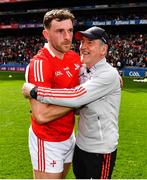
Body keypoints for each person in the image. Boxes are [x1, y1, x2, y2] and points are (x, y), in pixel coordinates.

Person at [23, 26, 121, 179]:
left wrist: (35, 91)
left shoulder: (109, 75)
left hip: (100, 150)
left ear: (103, 50)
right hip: (81, 146)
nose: (83, 47)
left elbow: (76, 96)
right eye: (82, 42)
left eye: (90, 43)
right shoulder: (84, 70)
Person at [24, 9, 81, 179]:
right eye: (60, 31)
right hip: (47, 139)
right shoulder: (41, 64)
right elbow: (41, 115)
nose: (67, 37)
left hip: (68, 135)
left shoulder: (73, 57)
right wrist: (78, 100)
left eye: (70, 30)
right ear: (46, 34)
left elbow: (94, 71)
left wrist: (113, 75)